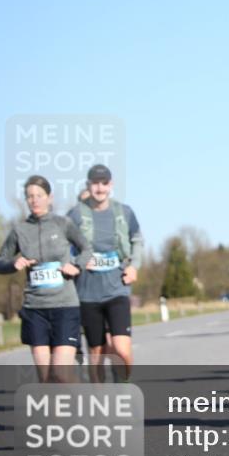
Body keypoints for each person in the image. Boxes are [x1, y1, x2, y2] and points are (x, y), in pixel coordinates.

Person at [0, 175, 93, 382]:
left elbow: (86, 248)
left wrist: (76, 266)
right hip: (35, 309)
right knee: (46, 376)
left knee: (61, 373)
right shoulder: (20, 231)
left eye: (39, 195)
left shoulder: (63, 224)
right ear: (26, 200)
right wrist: (13, 264)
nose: (35, 200)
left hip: (65, 306)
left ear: (49, 197)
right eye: (30, 196)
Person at [66, 164, 144, 382]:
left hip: (117, 288)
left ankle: (123, 382)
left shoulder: (124, 212)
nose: (99, 188)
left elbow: (137, 241)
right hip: (87, 293)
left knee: (122, 349)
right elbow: (62, 246)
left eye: (104, 183)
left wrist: (134, 266)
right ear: (88, 185)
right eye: (95, 183)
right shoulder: (75, 215)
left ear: (111, 185)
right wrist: (77, 262)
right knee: (96, 354)